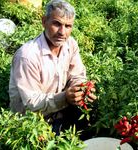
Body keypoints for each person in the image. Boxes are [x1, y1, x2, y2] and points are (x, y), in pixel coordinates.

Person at [9, 0, 97, 137]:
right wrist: (65, 97)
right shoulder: (27, 56)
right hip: (32, 124)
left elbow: (77, 74)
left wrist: (81, 89)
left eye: (68, 26)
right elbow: (31, 103)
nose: (62, 32)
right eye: (57, 24)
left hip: (59, 111)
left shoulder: (70, 44)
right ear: (44, 21)